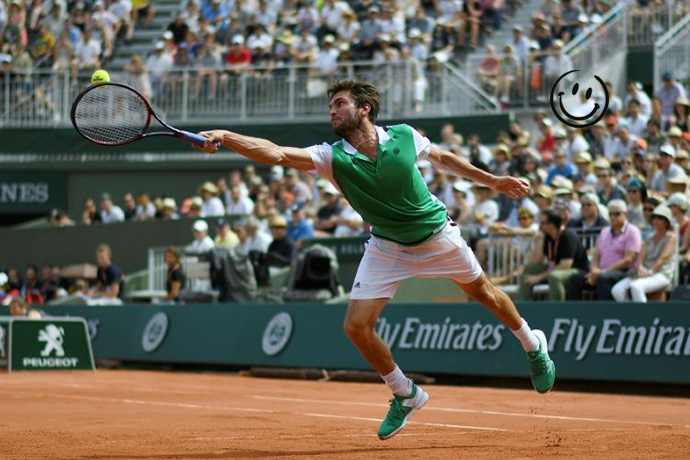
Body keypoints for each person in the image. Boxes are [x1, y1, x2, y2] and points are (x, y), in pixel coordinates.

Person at [194, 78, 555, 440]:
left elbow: (443, 158)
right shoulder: (329, 156)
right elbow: (275, 152)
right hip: (386, 248)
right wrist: (227, 135)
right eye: (330, 107)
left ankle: (532, 345)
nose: (332, 111)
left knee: (486, 295)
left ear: (364, 109)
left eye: (339, 104)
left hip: (438, 237)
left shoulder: (403, 135)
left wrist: (491, 180)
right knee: (355, 327)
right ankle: (405, 392)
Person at [567, 200, 642, 300]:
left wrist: (603, 272)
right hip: (601, 272)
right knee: (575, 279)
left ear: (625, 214)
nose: (613, 217)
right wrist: (594, 270)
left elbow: (628, 260)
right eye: (610, 214)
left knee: (603, 279)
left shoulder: (632, 231)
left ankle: (605, 313)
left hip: (623, 272)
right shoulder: (605, 231)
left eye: (617, 214)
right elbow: (596, 256)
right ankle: (575, 313)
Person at [517, 208, 589, 302]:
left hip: (577, 270)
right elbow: (537, 259)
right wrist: (541, 238)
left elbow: (565, 265)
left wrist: (539, 277)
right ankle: (520, 309)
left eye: (542, 223)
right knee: (530, 268)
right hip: (558, 269)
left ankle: (558, 311)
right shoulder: (548, 237)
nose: (540, 226)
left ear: (552, 224)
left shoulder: (568, 235)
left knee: (555, 277)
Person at [612, 205, 677, 302]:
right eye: (654, 217)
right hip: (644, 274)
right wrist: (641, 269)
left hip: (662, 274)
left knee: (636, 287)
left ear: (666, 221)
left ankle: (643, 316)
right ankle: (631, 313)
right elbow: (641, 258)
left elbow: (663, 258)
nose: (656, 220)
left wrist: (650, 272)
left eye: (659, 218)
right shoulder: (648, 238)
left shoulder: (671, 237)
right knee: (617, 290)